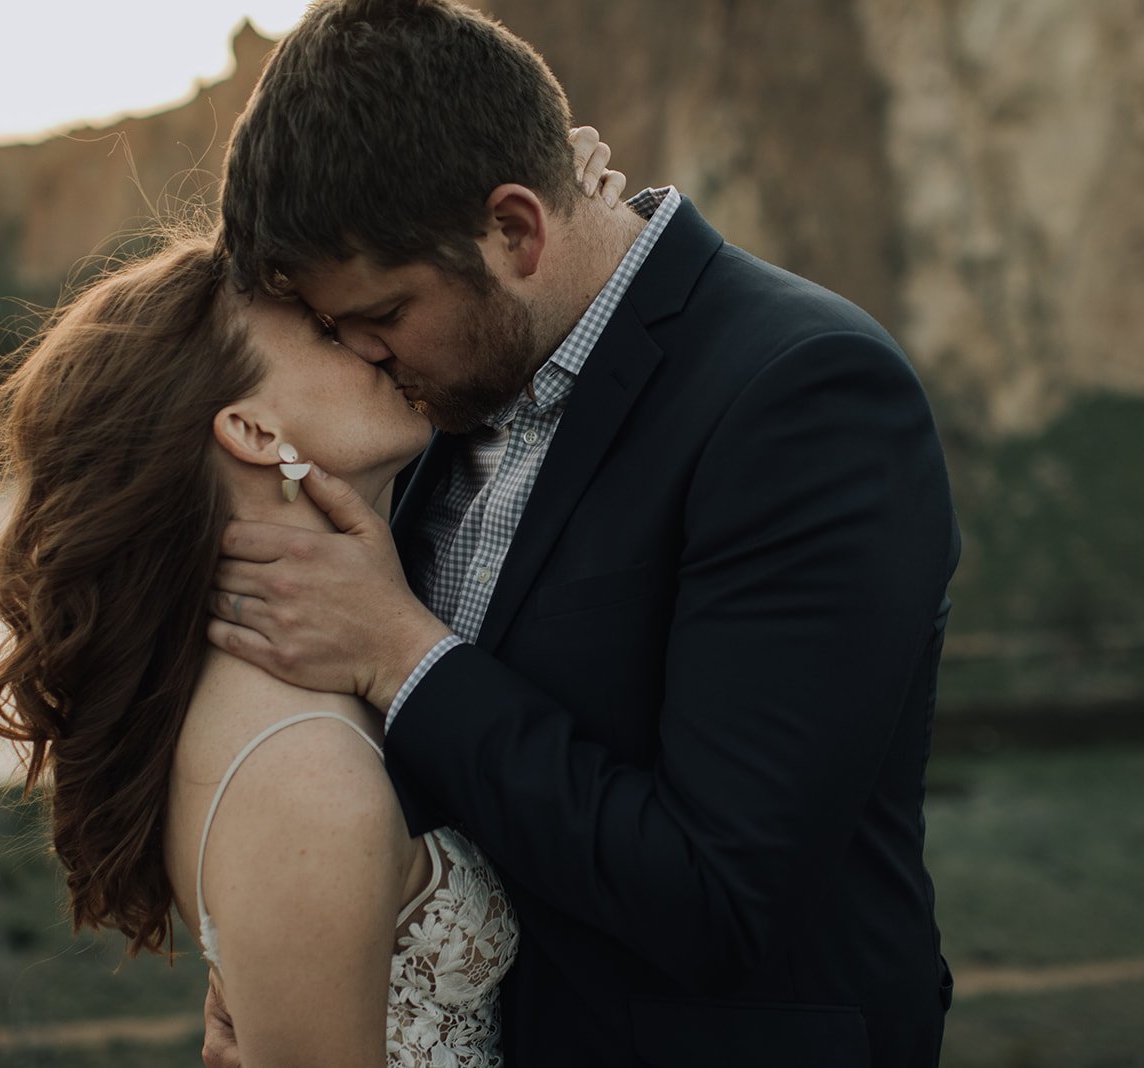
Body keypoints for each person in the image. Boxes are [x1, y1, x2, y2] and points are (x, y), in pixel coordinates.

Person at [204, 1, 961, 1066]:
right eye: (335, 330)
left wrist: (400, 654)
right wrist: (292, 966)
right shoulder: (438, 396)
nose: (363, 354)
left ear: (517, 231)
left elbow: (719, 896)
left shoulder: (802, 395)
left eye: (382, 314)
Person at [0, 126, 624, 1063]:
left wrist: (567, 220)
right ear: (255, 432)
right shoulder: (302, 772)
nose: (372, 341)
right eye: (326, 331)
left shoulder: (311, 674)